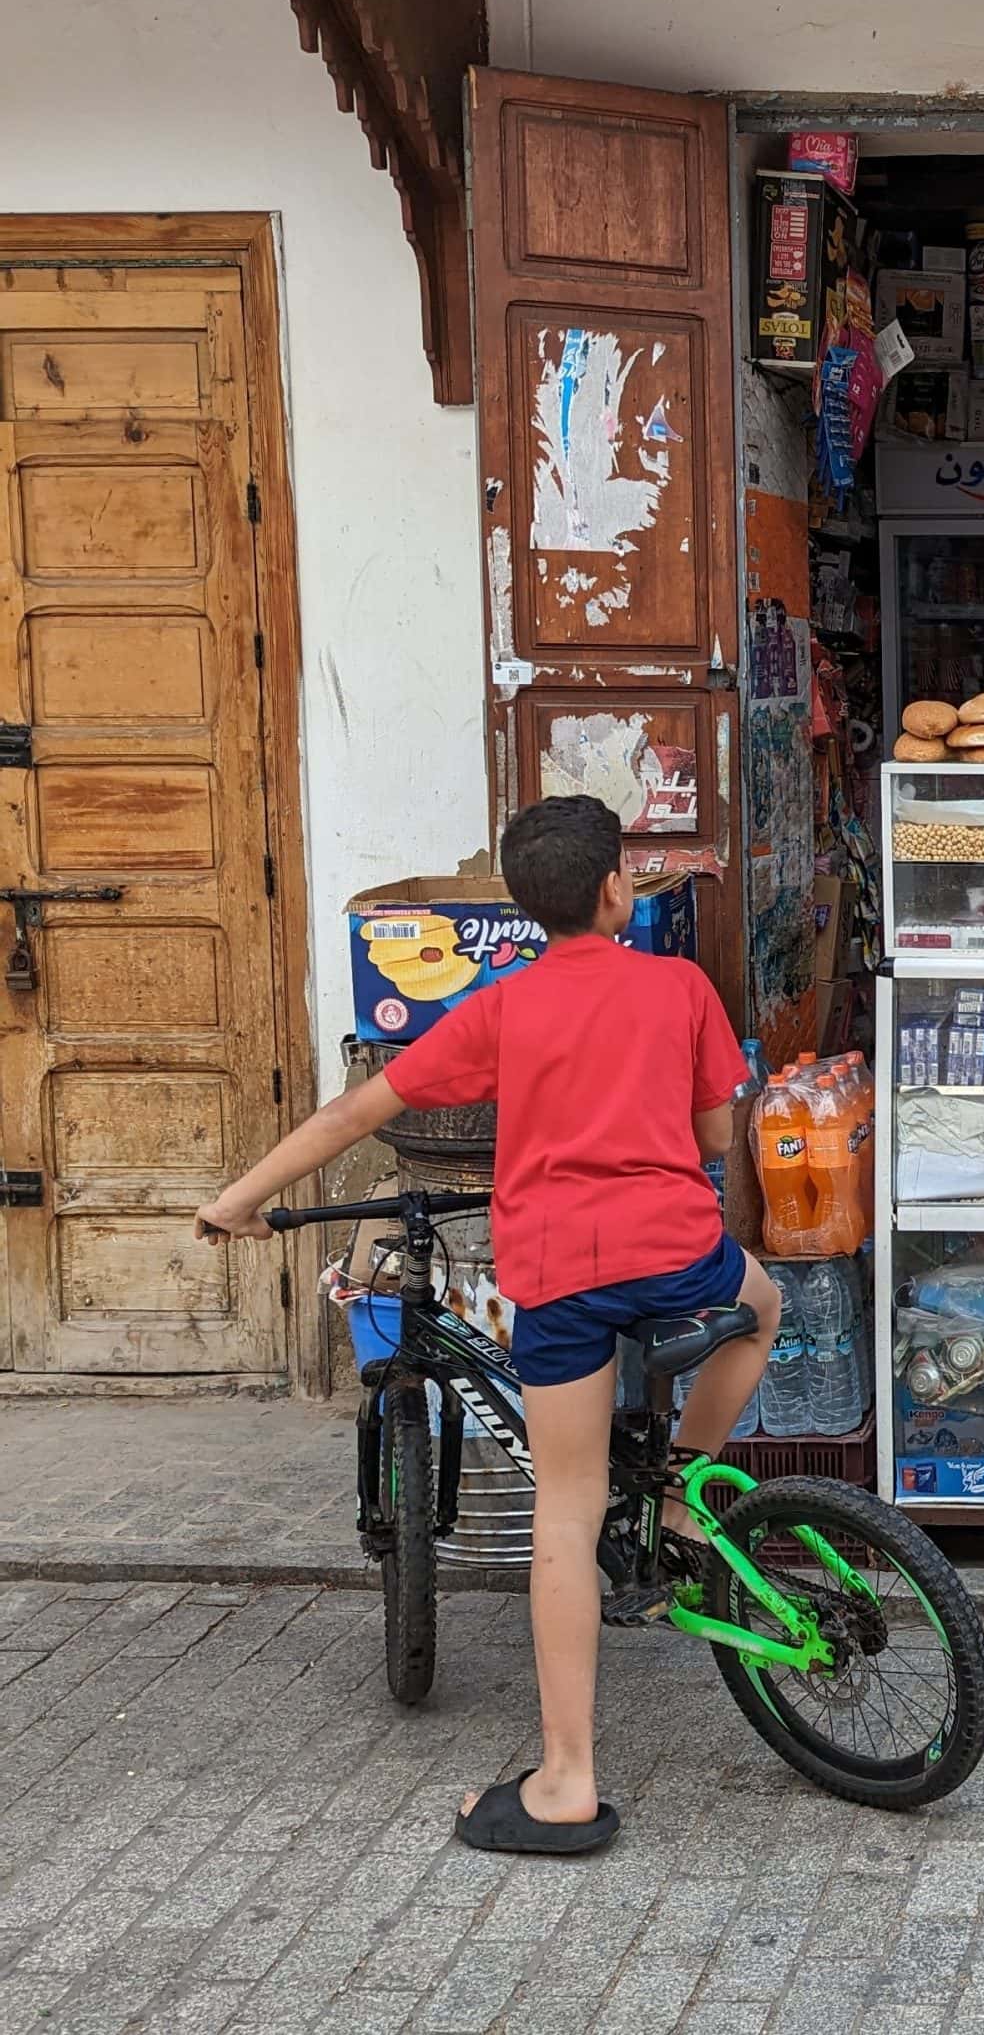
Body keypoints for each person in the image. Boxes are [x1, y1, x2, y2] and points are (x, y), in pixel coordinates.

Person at [192, 795, 774, 1859]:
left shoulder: (501, 1007)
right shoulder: (678, 984)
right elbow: (712, 1132)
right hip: (678, 1250)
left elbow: (352, 1117)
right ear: (616, 890)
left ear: (521, 906)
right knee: (764, 1306)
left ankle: (566, 1781)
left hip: (559, 1272)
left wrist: (240, 1197)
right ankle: (689, 1491)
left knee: (566, 1507)